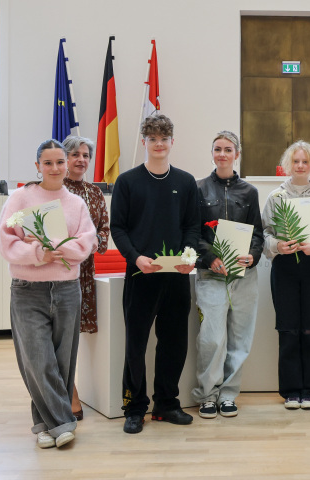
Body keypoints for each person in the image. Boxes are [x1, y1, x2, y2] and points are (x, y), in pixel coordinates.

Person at [0, 139, 97, 448]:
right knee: (38, 361)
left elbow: (88, 241)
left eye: (59, 162)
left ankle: (43, 425)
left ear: (66, 165)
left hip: (67, 290)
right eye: (48, 162)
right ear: (37, 166)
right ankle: (63, 422)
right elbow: (5, 243)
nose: (55, 168)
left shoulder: (76, 203)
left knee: (63, 362)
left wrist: (58, 250)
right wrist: (40, 253)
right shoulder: (20, 198)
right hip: (28, 292)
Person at [111, 114, 201, 434]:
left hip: (176, 277)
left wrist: (189, 256)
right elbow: (118, 228)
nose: (159, 144)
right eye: (153, 139)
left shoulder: (186, 182)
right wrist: (135, 257)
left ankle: (166, 404)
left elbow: (193, 226)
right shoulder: (127, 182)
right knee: (136, 344)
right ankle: (134, 407)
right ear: (144, 142)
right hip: (140, 275)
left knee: (174, 343)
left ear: (172, 142)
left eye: (164, 138)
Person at [192, 131, 264, 419]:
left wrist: (253, 256)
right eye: (217, 149)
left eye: (228, 149)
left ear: (237, 154)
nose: (222, 154)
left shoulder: (249, 192)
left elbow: (257, 234)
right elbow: (193, 233)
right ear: (212, 153)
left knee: (239, 337)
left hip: (243, 275)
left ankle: (229, 394)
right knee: (212, 337)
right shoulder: (197, 189)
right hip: (211, 274)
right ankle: (208, 395)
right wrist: (209, 258)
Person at [261, 140, 310, 410]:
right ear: (288, 165)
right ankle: (291, 391)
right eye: (296, 161)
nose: (301, 166)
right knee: (289, 330)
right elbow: (265, 235)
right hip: (284, 270)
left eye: (305, 161)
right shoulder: (275, 197)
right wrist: (278, 246)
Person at [62, 135, 110, 420]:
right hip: (54, 271)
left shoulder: (94, 192)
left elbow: (104, 230)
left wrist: (91, 243)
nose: (81, 160)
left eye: (85, 155)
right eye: (75, 154)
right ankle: (69, 392)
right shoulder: (53, 189)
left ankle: (70, 387)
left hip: (84, 274)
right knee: (61, 335)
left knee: (74, 335)